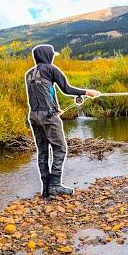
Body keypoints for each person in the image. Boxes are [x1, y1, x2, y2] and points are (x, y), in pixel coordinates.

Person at [25, 44, 100, 197]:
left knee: (43, 151)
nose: (52, 57)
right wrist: (87, 92)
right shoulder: (51, 69)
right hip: (48, 117)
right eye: (52, 55)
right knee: (60, 149)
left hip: (34, 115)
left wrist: (55, 107)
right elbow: (66, 89)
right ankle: (55, 185)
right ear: (47, 55)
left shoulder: (29, 73)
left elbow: (41, 93)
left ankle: (46, 188)